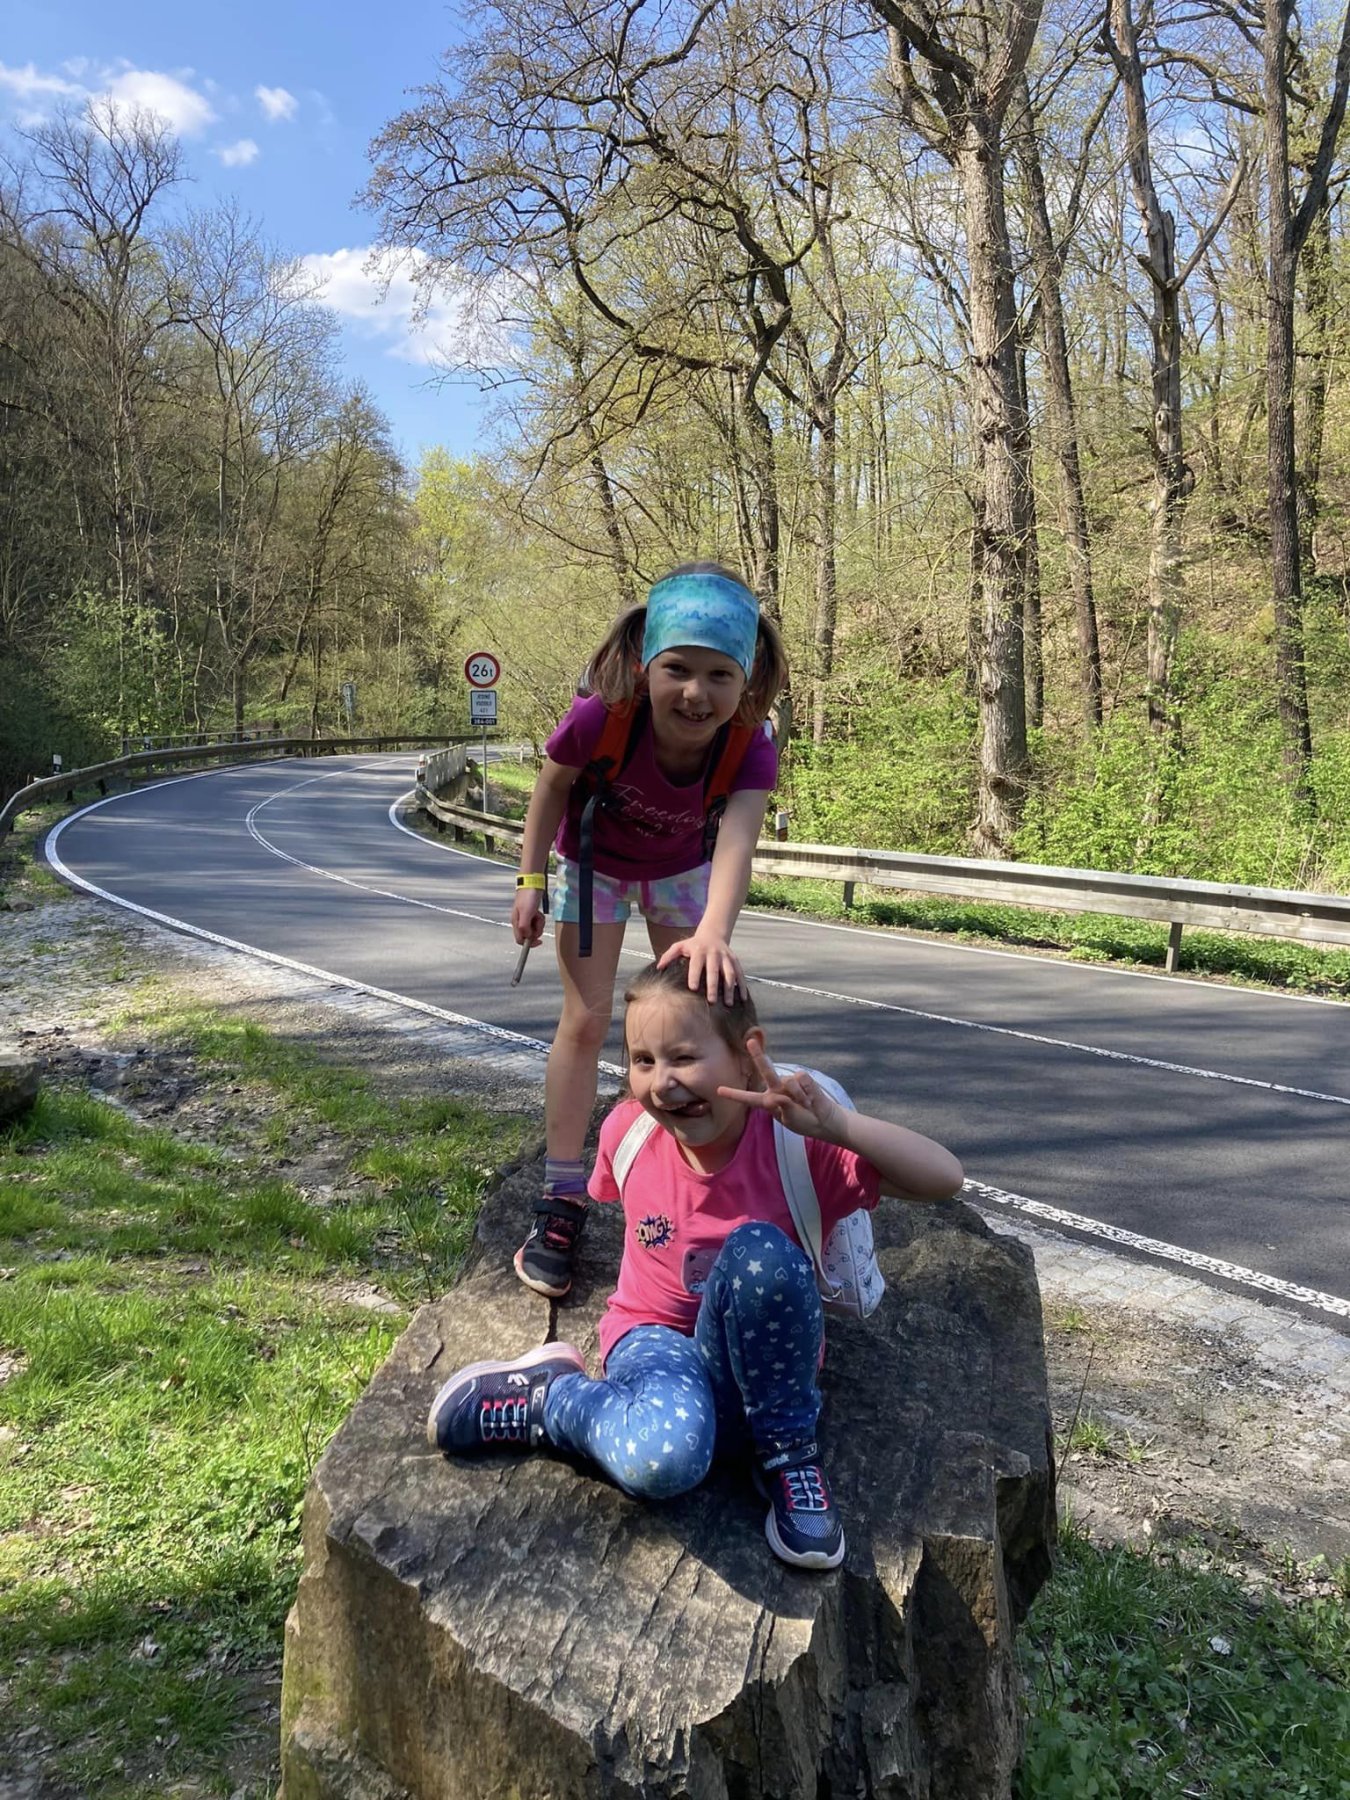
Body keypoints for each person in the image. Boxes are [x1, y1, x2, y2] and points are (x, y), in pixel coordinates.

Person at [427, 960, 964, 1572]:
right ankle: (551, 1399)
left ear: (747, 1056)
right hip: (655, 1346)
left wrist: (838, 1126)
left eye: (683, 1058)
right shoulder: (629, 1134)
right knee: (662, 1461)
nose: (662, 1083)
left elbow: (943, 1178)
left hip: (764, 1373)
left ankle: (789, 1456)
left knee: (760, 1253)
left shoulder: (793, 1146)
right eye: (643, 1060)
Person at [510, 562, 789, 1301]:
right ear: (645, 667)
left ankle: (709, 1177)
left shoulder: (749, 745)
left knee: (701, 1017)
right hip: (592, 866)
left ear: (745, 682)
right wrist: (530, 883)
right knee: (587, 1019)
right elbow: (550, 788)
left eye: (719, 676)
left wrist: (713, 933)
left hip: (678, 871)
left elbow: (737, 844)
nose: (697, 693)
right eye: (678, 670)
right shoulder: (601, 717)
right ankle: (562, 1197)